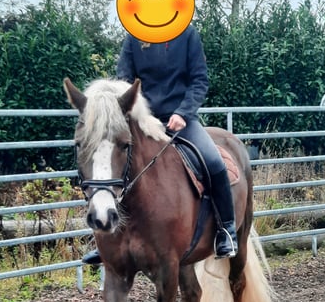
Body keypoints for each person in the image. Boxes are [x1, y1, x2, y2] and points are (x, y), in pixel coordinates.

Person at [82, 24, 238, 264]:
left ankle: (226, 230)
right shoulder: (134, 36)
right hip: (141, 120)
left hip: (181, 121)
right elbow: (124, 80)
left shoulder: (188, 34)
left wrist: (183, 113)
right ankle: (105, 237)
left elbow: (199, 80)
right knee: (111, 164)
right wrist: (136, 113)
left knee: (214, 163)